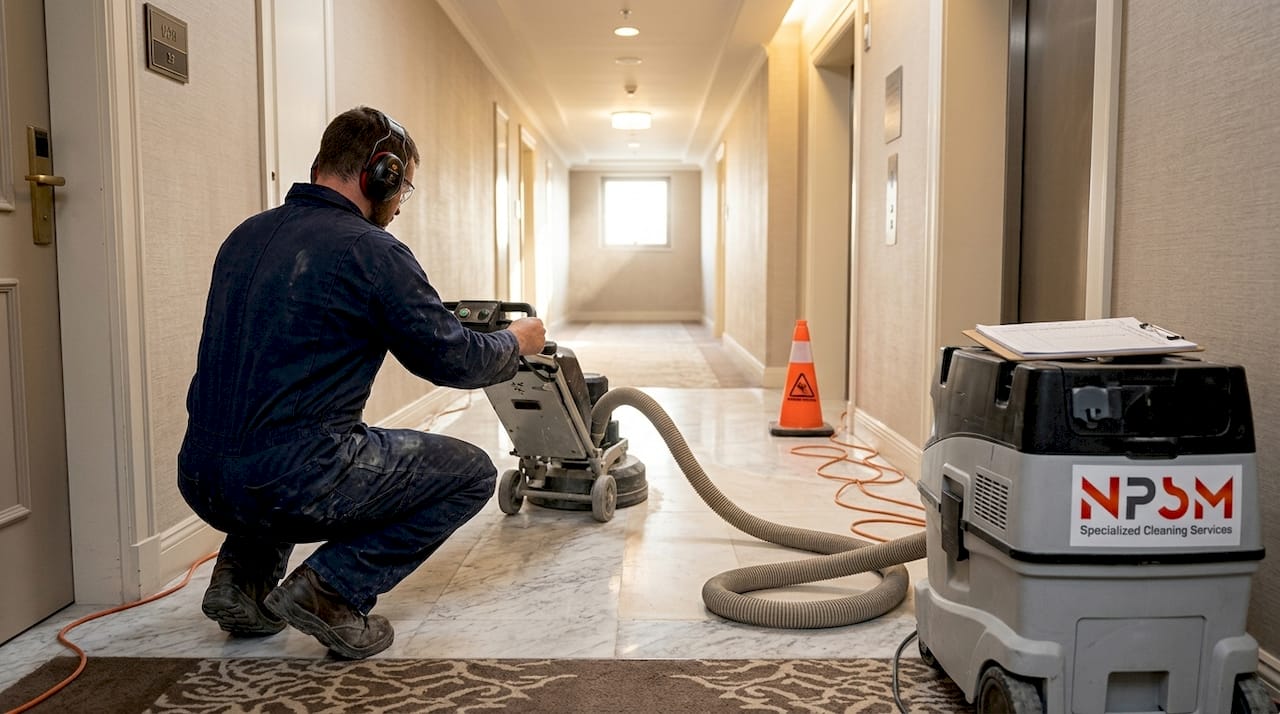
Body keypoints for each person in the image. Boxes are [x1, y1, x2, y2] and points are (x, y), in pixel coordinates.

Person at [177, 106, 545, 660]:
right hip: (290, 481)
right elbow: (454, 361)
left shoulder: (245, 236)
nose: (399, 204)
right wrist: (516, 342)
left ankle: (241, 581)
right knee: (471, 473)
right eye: (404, 187)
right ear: (384, 173)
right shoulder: (372, 251)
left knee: (276, 436)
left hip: (202, 478)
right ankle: (331, 590)